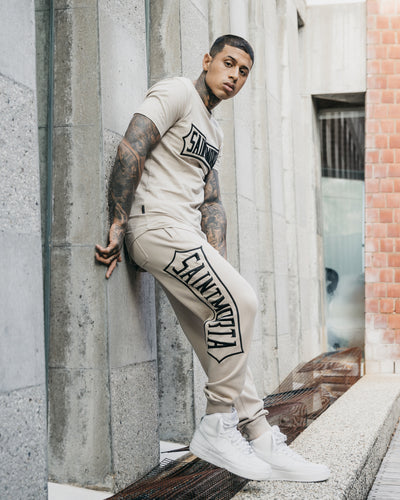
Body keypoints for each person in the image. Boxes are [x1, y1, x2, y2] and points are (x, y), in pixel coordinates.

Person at [95, 34, 330, 482]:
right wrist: (118, 219)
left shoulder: (213, 130)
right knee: (243, 303)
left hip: (185, 238)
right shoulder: (177, 92)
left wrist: (215, 261)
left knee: (224, 342)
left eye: (243, 71)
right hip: (155, 226)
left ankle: (261, 437)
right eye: (228, 63)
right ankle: (217, 426)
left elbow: (212, 201)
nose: (234, 76)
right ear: (207, 61)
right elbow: (132, 145)